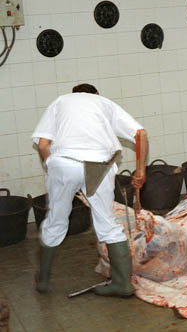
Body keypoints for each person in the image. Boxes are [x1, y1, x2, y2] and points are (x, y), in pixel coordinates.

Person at [32, 83, 148, 296]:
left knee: (56, 221)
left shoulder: (61, 101)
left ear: (74, 94)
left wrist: (51, 166)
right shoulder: (104, 103)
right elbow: (140, 134)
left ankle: (43, 281)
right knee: (107, 222)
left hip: (65, 162)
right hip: (100, 165)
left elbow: (42, 145)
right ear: (96, 95)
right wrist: (140, 171)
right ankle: (122, 285)